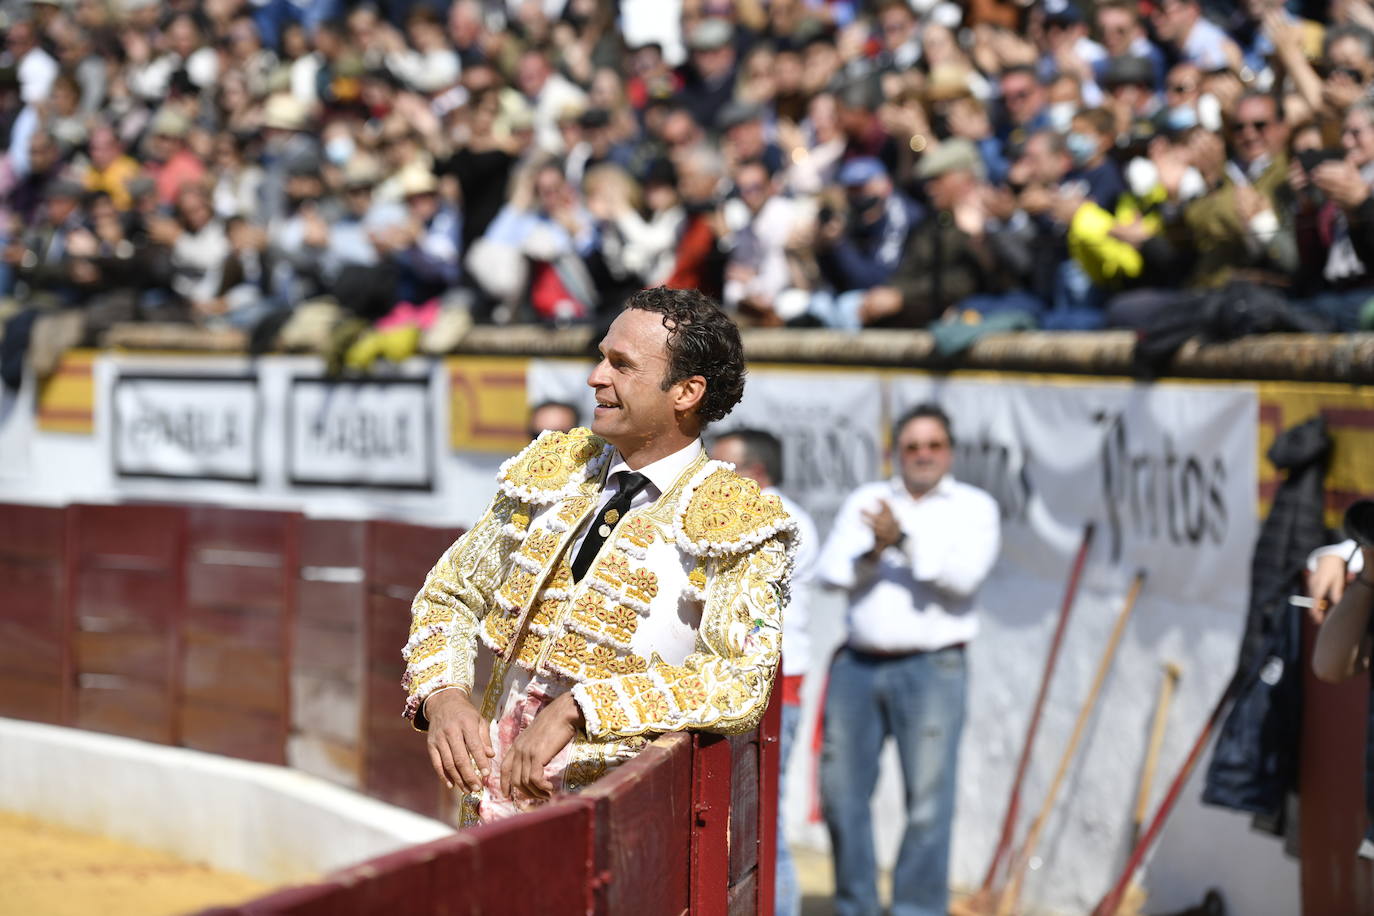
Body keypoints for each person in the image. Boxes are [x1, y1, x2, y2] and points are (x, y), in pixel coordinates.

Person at [401, 287, 796, 825]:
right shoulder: (554, 468)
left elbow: (738, 680)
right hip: (489, 808)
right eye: (601, 357)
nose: (595, 376)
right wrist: (443, 695)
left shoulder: (738, 522)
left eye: (621, 364)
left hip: (623, 824)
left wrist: (580, 708)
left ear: (686, 391)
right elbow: (449, 594)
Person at [817, 403, 1001, 916]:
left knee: (927, 804)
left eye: (933, 445)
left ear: (950, 451)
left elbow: (963, 580)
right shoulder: (869, 499)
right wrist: (875, 552)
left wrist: (903, 540)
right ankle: (856, 907)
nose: (923, 455)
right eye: (913, 446)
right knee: (842, 798)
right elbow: (831, 573)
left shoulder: (974, 507)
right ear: (897, 451)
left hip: (933, 668)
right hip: (858, 665)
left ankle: (916, 910)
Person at [708, 428, 817, 916]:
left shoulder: (775, 518)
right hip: (754, 686)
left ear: (755, 473)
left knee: (762, 824)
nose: (711, 474)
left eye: (723, 465)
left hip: (770, 689)